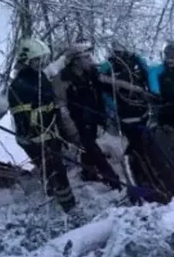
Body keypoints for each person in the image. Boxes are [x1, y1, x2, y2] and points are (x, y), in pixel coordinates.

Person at [8, 37, 80, 212]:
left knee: (52, 169)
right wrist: (30, 136)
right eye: (37, 60)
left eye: (43, 60)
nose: (41, 63)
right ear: (27, 61)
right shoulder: (19, 86)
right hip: (35, 138)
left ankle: (53, 198)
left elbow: (51, 103)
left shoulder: (39, 77)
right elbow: (21, 119)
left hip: (49, 133)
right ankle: (69, 208)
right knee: (57, 171)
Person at [52, 43, 122, 190]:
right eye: (86, 57)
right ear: (76, 61)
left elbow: (108, 82)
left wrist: (135, 90)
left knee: (89, 149)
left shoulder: (90, 73)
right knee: (93, 149)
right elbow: (60, 106)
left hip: (92, 118)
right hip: (76, 122)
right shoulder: (62, 79)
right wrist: (71, 131)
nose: (90, 60)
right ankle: (114, 182)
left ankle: (87, 173)